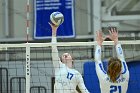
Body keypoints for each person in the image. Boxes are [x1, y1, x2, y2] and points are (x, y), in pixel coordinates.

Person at [49, 23, 90, 93]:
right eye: (63, 55)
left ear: (72, 59)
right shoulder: (58, 66)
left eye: (67, 54)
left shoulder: (77, 74)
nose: (65, 55)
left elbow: (84, 90)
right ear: (61, 60)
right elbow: (54, 48)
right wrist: (54, 32)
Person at [95, 28, 129, 93]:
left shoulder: (103, 77)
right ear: (120, 68)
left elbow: (97, 61)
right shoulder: (125, 76)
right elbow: (122, 58)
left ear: (108, 67)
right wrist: (116, 40)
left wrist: (99, 43)